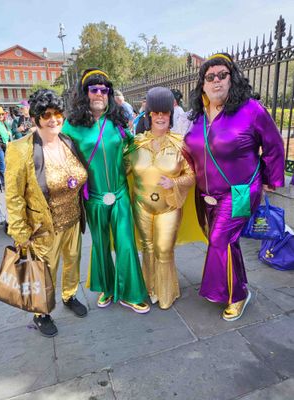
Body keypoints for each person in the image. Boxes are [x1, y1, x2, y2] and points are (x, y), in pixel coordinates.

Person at [184, 53, 285, 321]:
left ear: (232, 79)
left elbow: (274, 145)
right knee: (227, 241)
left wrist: (272, 179)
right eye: (210, 77)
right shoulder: (198, 116)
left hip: (240, 191)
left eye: (222, 75)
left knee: (220, 239)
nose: (216, 81)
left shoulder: (251, 109)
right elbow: (190, 149)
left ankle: (236, 296)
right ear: (203, 84)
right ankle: (237, 287)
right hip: (207, 194)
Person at [62, 68, 150, 314]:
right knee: (100, 245)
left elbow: (133, 150)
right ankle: (107, 288)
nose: (99, 93)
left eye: (104, 89)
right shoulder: (71, 126)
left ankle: (131, 293)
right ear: (85, 93)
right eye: (94, 89)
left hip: (120, 193)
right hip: (94, 198)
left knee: (125, 243)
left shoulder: (118, 121)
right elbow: (63, 160)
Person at [5, 89, 88, 338]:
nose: (53, 119)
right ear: (36, 119)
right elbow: (14, 195)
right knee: (44, 271)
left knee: (73, 261)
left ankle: (69, 295)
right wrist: (20, 233)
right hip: (43, 227)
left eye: (57, 113)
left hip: (72, 219)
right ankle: (41, 313)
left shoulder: (67, 141)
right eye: (46, 115)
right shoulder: (20, 150)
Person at [126, 87, 195, 309]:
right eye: (155, 113)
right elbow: (119, 170)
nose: (160, 117)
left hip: (169, 206)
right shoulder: (136, 144)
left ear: (170, 115)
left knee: (164, 250)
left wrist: (174, 182)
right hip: (141, 205)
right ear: (149, 116)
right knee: (147, 248)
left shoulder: (180, 144)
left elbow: (192, 175)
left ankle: (166, 293)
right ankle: (149, 288)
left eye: (164, 113)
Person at [0, 106, 12, 187]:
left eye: (2, 114)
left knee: (9, 164)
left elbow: (10, 134)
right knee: (2, 165)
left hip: (7, 145)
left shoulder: (5, 123)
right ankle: (4, 184)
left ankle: (9, 182)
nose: (1, 116)